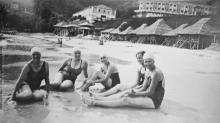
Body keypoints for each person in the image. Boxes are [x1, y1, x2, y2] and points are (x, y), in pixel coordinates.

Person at [82, 53, 165, 109]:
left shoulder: (156, 73)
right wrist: (132, 91)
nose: (147, 63)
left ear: (154, 61)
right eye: (146, 61)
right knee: (126, 93)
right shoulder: (148, 71)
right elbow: (143, 87)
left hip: (154, 101)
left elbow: (150, 92)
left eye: (149, 61)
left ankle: (96, 102)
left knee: (126, 99)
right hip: (148, 95)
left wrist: (135, 94)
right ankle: (100, 98)